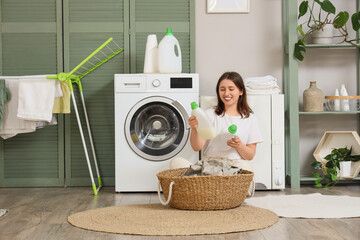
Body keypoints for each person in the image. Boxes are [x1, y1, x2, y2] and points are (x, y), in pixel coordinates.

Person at [175, 71, 263, 196]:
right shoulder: (210, 114)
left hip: (234, 167)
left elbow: (250, 155)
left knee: (247, 169)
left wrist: (239, 145)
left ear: (241, 91)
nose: (226, 93)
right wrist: (194, 128)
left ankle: (207, 192)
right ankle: (220, 193)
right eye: (222, 89)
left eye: (231, 89)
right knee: (177, 163)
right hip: (209, 166)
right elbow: (197, 147)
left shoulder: (250, 118)